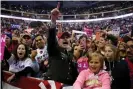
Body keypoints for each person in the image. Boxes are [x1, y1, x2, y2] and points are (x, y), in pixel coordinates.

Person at [43, 6, 78, 85]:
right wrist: (53, 20)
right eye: (62, 37)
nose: (65, 39)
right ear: (58, 41)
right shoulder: (54, 51)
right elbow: (51, 40)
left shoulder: (72, 54)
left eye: (67, 37)